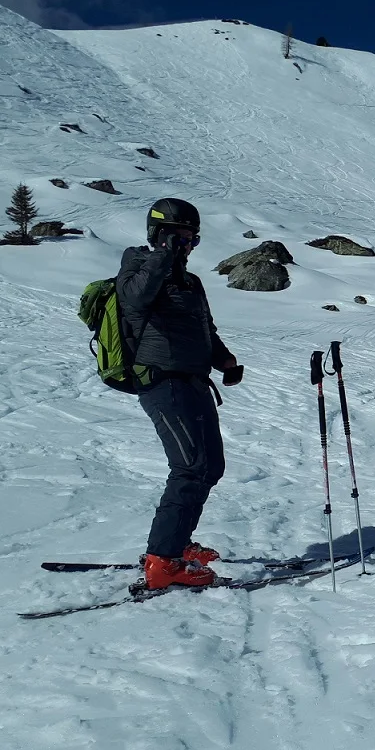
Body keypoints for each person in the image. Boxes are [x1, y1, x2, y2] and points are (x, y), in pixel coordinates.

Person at [117, 198, 243, 590]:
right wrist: (162, 256)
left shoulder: (190, 282)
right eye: (177, 237)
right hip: (160, 381)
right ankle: (163, 561)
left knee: (210, 466)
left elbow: (205, 329)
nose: (184, 245)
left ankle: (178, 543)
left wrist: (225, 361)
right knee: (190, 467)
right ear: (158, 235)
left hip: (193, 381)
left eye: (191, 239)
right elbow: (135, 300)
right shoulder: (137, 266)